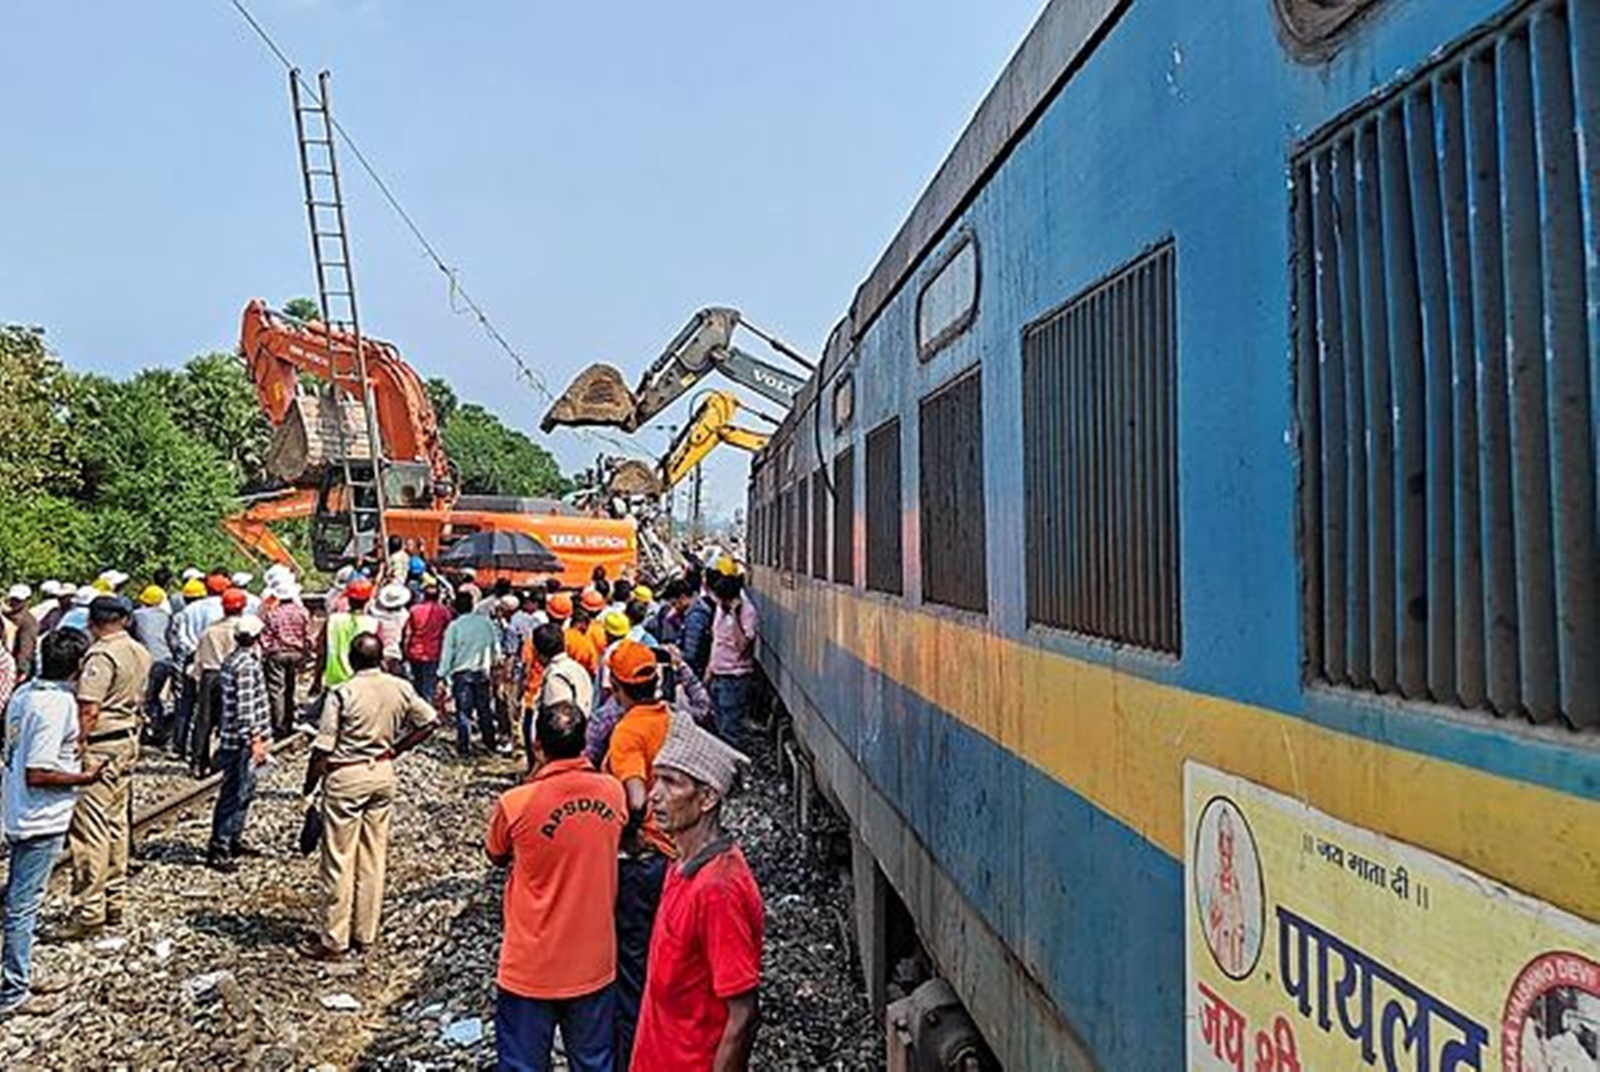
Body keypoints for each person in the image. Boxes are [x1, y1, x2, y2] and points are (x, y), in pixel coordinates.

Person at [488, 701, 627, 1072]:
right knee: (595, 1062)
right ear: (584, 743)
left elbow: (496, 854)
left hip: (530, 966)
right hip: (594, 961)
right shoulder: (613, 794)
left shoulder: (515, 804)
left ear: (538, 746)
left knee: (523, 1065)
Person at [631, 718, 762, 1072]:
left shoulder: (718, 889)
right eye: (656, 778)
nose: (654, 793)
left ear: (706, 798)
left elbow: (743, 1014)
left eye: (671, 782)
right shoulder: (681, 864)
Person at [301, 633, 437, 960]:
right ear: (381, 659)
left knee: (338, 859)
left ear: (350, 659)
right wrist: (397, 749)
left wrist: (309, 784)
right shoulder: (399, 687)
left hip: (346, 776)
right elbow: (430, 721)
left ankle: (335, 939)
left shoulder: (343, 692)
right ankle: (366, 934)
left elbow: (323, 747)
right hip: (382, 774)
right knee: (373, 856)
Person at [1, 629, 103, 1015]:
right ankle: (13, 992)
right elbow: (38, 772)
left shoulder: (25, 692)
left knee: (19, 898)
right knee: (23, 905)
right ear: (79, 665)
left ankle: (19, 973)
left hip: (17, 807)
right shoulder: (56, 706)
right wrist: (86, 777)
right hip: (39, 815)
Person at [602, 641, 679, 1065]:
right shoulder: (669, 718)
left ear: (616, 686)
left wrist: (630, 832)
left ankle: (633, 1058)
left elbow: (634, 797)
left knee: (632, 971)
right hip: (673, 857)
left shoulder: (629, 729)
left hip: (643, 861)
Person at [64, 597, 152, 938]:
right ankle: (115, 899)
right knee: (116, 825)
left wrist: (76, 743)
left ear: (92, 621)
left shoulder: (101, 655)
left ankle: (89, 910)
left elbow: (89, 708)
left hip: (100, 747)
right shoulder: (139, 651)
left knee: (90, 830)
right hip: (126, 741)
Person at [207, 616, 271, 871]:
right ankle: (220, 845)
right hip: (242, 740)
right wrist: (255, 739)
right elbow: (245, 708)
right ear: (257, 637)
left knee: (244, 789)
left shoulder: (234, 659)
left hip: (238, 737)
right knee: (235, 791)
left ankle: (233, 837)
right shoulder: (245, 664)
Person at [189, 588, 248, 776]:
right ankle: (223, 760)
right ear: (243, 608)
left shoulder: (210, 630)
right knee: (229, 718)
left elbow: (199, 658)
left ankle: (198, 761)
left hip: (210, 675)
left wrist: (199, 679)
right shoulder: (243, 630)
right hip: (232, 676)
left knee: (204, 719)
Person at [438, 590, 501, 757]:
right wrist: (495, 665)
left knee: (463, 711)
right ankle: (490, 743)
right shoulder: (486, 623)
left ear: (455, 608)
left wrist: (442, 674)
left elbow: (448, 652)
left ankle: (464, 747)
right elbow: (496, 647)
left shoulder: (455, 626)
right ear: (472, 605)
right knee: (484, 709)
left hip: (462, 673)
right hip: (482, 671)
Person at [524, 624, 594, 769]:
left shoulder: (556, 677)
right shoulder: (576, 668)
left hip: (561, 755)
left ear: (537, 652)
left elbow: (559, 722)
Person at [705, 570, 758, 750]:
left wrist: (735, 615)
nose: (718, 602)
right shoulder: (721, 609)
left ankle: (733, 771)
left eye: (722, 600)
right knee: (720, 725)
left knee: (730, 730)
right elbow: (716, 641)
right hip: (718, 674)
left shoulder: (747, 613)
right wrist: (709, 671)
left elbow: (742, 645)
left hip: (735, 678)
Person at [165, 577, 211, 759]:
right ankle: (195, 747)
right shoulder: (210, 610)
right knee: (201, 705)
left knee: (184, 702)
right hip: (205, 658)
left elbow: (176, 639)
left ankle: (178, 745)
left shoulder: (181, 615)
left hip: (186, 658)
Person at [260, 577, 311, 740]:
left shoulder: (272, 614)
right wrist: (306, 655)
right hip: (296, 653)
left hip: (278, 654)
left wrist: (266, 653)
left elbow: (266, 638)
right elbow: (307, 636)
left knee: (277, 691)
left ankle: (279, 726)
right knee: (291, 688)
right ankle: (289, 722)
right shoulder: (302, 612)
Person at [130, 584, 174, 745]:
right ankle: (158, 727)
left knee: (145, 696)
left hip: (147, 660)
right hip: (166, 659)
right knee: (155, 696)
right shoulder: (167, 616)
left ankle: (147, 729)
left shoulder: (136, 615)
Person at [318, 578, 378, 691]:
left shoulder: (333, 620)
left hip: (334, 681)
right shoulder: (373, 624)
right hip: (360, 684)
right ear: (368, 600)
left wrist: (317, 678)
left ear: (349, 599)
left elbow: (322, 651)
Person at [402, 580, 452, 701]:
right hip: (434, 653)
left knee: (417, 684)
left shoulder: (414, 610)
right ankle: (425, 713)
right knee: (428, 687)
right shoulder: (444, 611)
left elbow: (408, 633)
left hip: (414, 652)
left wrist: (405, 650)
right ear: (438, 596)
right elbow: (448, 633)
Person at [678, 569, 716, 680]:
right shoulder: (701, 607)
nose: (675, 607)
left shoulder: (695, 616)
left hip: (696, 671)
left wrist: (676, 654)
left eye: (675, 603)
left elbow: (690, 653)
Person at [372, 584, 411, 674]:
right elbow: (407, 637)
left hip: (378, 654)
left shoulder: (376, 615)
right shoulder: (404, 616)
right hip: (395, 654)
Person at [4, 585, 39, 683]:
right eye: (13, 599)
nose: (14, 603)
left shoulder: (28, 622)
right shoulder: (7, 617)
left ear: (27, 601)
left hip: (15, 668)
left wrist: (22, 669)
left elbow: (26, 646)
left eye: (18, 600)